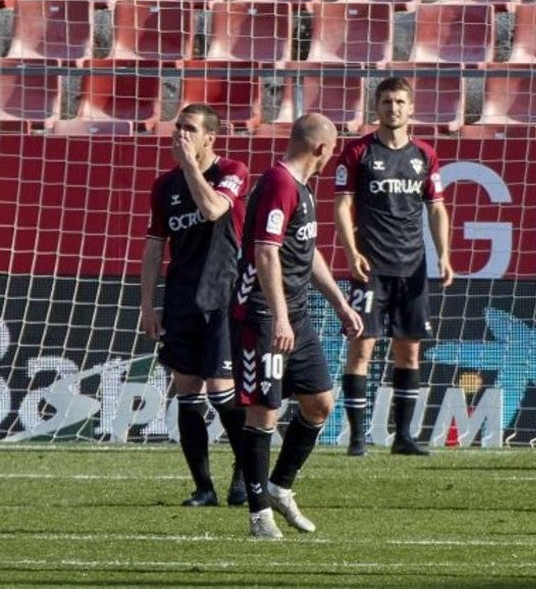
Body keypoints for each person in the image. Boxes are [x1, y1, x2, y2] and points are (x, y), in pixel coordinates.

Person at [231, 113, 364, 538]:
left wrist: (340, 303)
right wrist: (279, 317)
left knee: (320, 402)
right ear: (321, 149)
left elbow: (306, 251)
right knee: (264, 411)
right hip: (264, 315)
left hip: (297, 313)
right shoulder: (279, 184)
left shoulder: (302, 189)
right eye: (331, 150)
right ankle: (258, 516)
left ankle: (280, 486)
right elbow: (266, 253)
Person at [334, 77, 454, 457]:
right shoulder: (358, 153)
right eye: (387, 102)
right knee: (361, 350)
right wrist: (352, 253)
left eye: (400, 102)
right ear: (377, 107)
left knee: (409, 352)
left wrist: (444, 254)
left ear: (411, 108)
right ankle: (356, 438)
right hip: (371, 269)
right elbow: (341, 205)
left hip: (412, 269)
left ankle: (403, 437)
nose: (394, 108)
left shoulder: (424, 155)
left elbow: (436, 207)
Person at [139, 104, 249, 508]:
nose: (179, 135)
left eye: (189, 129)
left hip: (223, 297)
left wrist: (189, 167)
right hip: (182, 300)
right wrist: (148, 305)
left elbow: (213, 209)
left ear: (210, 137)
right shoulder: (163, 186)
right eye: (177, 128)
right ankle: (203, 487)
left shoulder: (232, 172)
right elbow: (154, 249)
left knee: (222, 393)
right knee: (186, 394)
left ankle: (246, 471)